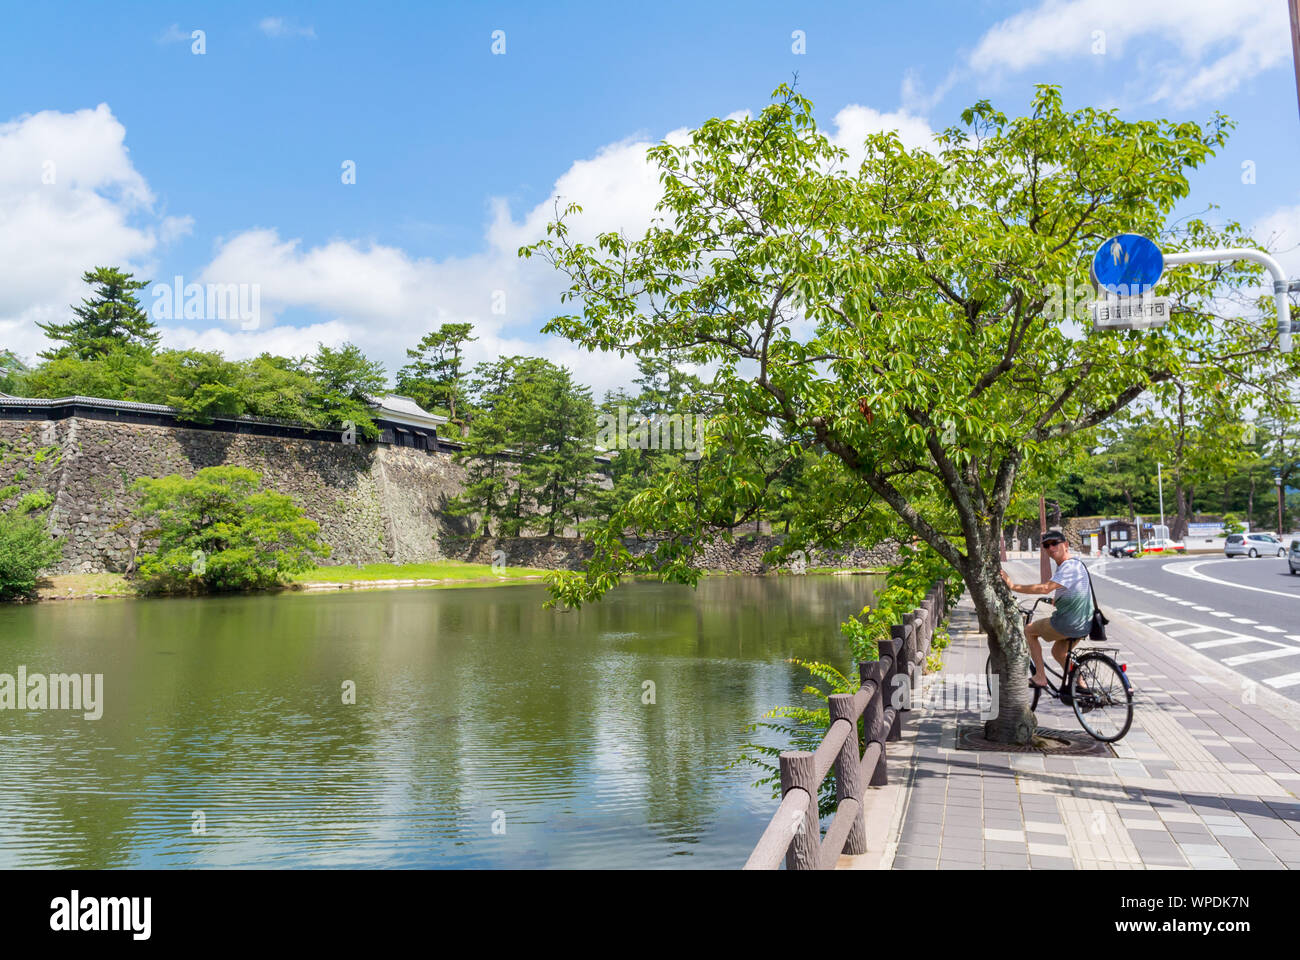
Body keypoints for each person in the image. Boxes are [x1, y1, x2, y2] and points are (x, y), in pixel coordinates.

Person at [999, 530, 1094, 692]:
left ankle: (1040, 677)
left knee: (1029, 631)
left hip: (1068, 622)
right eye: (1046, 545)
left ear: (1066, 545)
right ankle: (1081, 684)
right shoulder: (1077, 564)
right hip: (1085, 622)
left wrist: (1013, 586)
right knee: (1058, 652)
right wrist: (1055, 601)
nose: (1051, 548)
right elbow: (1073, 591)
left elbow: (1044, 588)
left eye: (1054, 543)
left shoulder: (1068, 566)